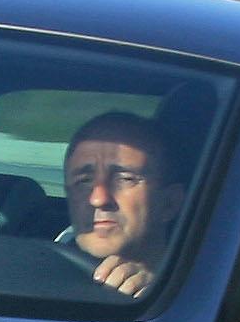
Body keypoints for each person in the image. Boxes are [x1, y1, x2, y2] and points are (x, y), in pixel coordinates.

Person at [60, 110, 172, 296]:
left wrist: (158, 293)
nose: (98, 198)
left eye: (124, 179)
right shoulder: (29, 273)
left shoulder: (207, 291)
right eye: (84, 181)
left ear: (169, 203)